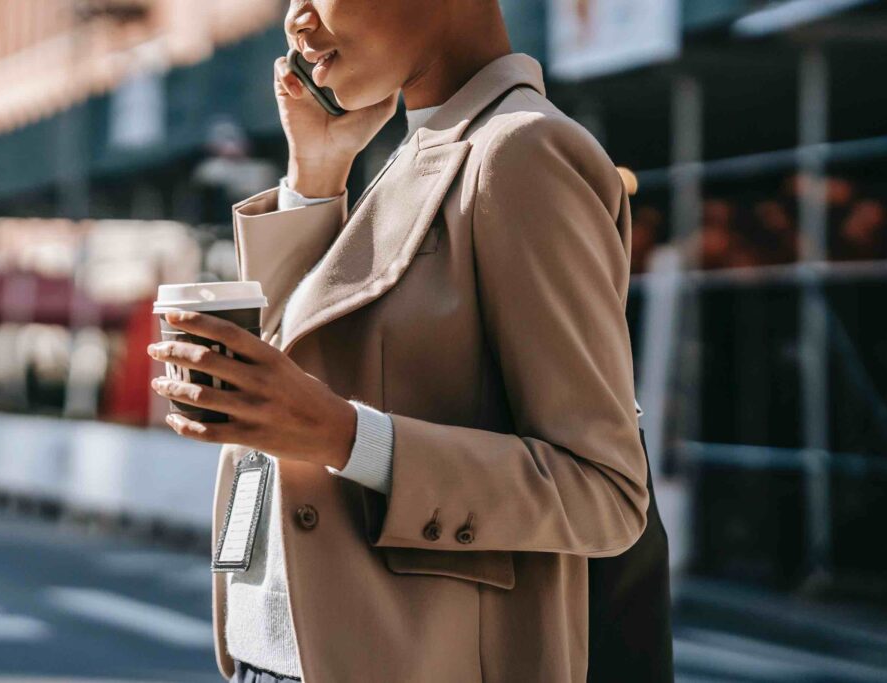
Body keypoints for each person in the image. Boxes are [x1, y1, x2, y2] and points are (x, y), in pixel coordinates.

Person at [147, 0, 672, 680]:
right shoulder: (417, 151)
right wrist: (316, 176)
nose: (295, 20)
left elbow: (605, 490)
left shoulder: (521, 151)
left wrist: (344, 434)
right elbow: (305, 358)